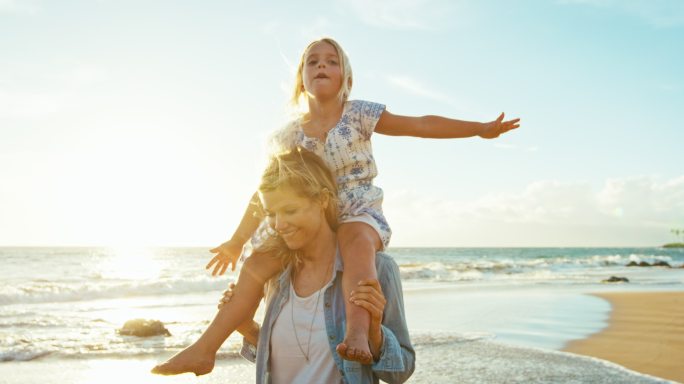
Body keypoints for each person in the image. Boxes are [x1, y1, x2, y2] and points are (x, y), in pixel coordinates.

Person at [153, 36, 519, 374]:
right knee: (256, 263)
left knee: (357, 245)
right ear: (301, 79)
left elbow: (420, 124)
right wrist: (236, 241)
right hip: (308, 217)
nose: (321, 66)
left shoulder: (359, 114)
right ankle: (206, 348)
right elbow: (264, 192)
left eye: (331, 61)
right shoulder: (289, 135)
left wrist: (478, 128)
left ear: (346, 77)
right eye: (312, 62)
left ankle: (359, 332)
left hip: (356, 208)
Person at [220, 148, 414, 383]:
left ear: (323, 200)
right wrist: (245, 326)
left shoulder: (378, 268)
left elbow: (401, 373)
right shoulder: (275, 275)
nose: (279, 225)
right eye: (271, 213)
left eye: (290, 210)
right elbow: (288, 358)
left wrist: (374, 334)